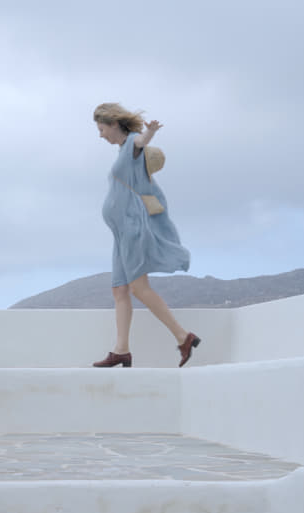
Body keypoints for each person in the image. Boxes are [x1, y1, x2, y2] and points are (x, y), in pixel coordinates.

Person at [91, 102, 201, 368]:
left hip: (132, 229)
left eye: (102, 129)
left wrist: (150, 133)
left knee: (139, 288)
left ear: (114, 124)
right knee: (119, 289)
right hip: (120, 233)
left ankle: (183, 337)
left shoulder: (131, 143)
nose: (100, 135)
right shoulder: (122, 151)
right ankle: (121, 350)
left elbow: (140, 142)